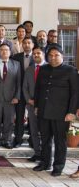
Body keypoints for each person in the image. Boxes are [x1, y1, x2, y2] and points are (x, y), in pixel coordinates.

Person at [33, 46, 78, 177]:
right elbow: (38, 89)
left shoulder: (71, 70)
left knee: (60, 140)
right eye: (50, 55)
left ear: (62, 56)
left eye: (56, 55)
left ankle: (58, 166)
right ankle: (45, 163)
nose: (53, 57)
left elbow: (75, 93)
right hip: (44, 110)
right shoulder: (43, 69)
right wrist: (37, 105)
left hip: (61, 113)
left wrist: (71, 112)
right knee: (45, 139)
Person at [0, 44, 21, 149]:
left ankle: (7, 140)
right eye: (2, 50)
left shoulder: (16, 64)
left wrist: (17, 96)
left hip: (11, 98)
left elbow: (19, 82)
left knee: (9, 121)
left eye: (6, 50)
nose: (4, 52)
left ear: (10, 52)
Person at [23, 46, 46, 162]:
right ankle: (37, 153)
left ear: (43, 54)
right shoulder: (29, 69)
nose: (36, 55)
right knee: (34, 130)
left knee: (45, 131)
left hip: (46, 106)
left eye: (38, 53)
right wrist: (28, 99)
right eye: (34, 54)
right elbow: (25, 87)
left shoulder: (49, 68)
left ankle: (46, 154)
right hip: (31, 104)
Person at [11, 37, 34, 148]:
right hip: (19, 91)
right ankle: (18, 139)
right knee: (19, 117)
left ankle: (32, 139)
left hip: (32, 94)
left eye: (29, 42)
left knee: (32, 117)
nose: (26, 44)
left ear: (33, 45)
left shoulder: (37, 57)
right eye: (24, 43)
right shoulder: (16, 57)